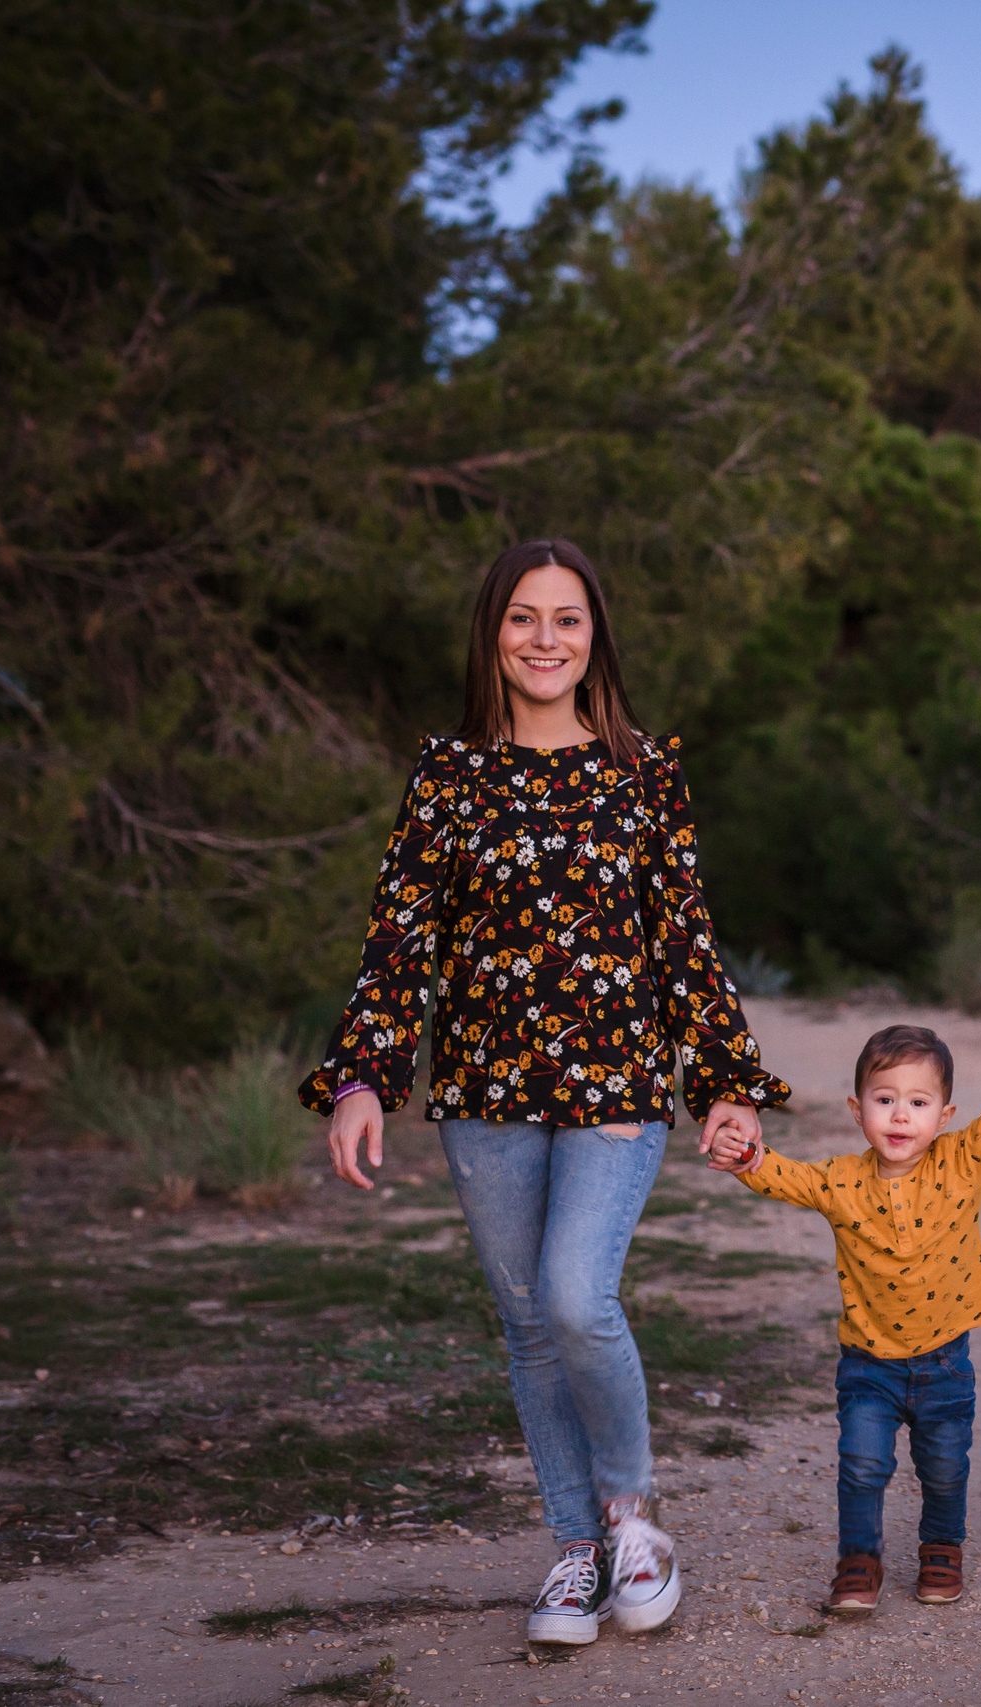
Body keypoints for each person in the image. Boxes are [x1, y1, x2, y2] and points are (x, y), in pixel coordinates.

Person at [300, 538, 790, 1647]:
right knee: (527, 1324)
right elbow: (400, 938)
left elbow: (683, 936)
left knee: (576, 1297)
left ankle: (633, 1523)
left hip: (617, 1080)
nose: (544, 638)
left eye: (566, 618)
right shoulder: (447, 774)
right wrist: (365, 1077)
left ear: (594, 635)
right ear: (493, 632)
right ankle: (574, 1551)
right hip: (485, 1089)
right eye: (523, 616)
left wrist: (723, 1078)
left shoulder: (642, 769)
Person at [706, 1025, 981, 1615]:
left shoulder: (965, 1160)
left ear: (944, 1115)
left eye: (918, 1102)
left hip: (945, 1363)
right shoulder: (840, 1180)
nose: (900, 1115)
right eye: (884, 1099)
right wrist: (746, 1156)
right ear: (856, 1108)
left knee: (945, 1468)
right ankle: (859, 1561)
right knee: (862, 1466)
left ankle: (942, 1548)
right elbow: (785, 1176)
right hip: (868, 1365)